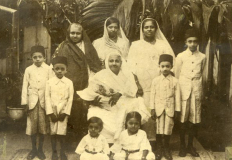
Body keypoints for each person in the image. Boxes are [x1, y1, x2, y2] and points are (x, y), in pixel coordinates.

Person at [77, 52, 150, 143]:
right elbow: (91, 89)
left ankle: (126, 138)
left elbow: (133, 91)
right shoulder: (100, 74)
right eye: (111, 61)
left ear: (121, 63)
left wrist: (119, 93)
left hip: (123, 102)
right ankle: (103, 142)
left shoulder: (127, 74)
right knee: (94, 112)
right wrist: (94, 100)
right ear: (107, 62)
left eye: (117, 61)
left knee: (137, 103)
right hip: (106, 105)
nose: (114, 63)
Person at [127, 18, 175, 150]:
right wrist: (137, 85)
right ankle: (143, 144)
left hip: (160, 84)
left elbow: (171, 64)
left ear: (156, 29)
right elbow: (130, 67)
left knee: (159, 113)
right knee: (145, 113)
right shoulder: (136, 45)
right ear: (142, 30)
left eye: (151, 27)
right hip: (143, 85)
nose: (149, 29)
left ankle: (159, 145)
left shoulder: (162, 45)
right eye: (146, 27)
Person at [53, 23, 102, 140]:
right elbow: (55, 65)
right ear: (68, 33)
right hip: (66, 85)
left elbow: (94, 65)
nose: (75, 35)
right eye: (72, 33)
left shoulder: (87, 46)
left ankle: (81, 139)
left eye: (78, 33)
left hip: (84, 84)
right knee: (67, 111)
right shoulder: (63, 46)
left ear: (82, 34)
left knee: (82, 112)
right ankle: (67, 140)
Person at [175, 28, 206, 157]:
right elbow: (177, 75)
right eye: (190, 41)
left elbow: (203, 73)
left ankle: (190, 146)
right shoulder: (180, 56)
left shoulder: (202, 57)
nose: (192, 44)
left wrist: (200, 90)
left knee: (194, 119)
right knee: (183, 119)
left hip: (196, 90)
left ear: (198, 42)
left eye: (195, 41)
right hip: (183, 90)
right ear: (185, 42)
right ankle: (182, 146)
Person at [21, 45, 53, 160]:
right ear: (31, 58)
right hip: (32, 102)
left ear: (44, 57)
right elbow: (25, 86)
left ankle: (40, 149)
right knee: (32, 127)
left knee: (43, 127)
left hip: (44, 101)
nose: (38, 59)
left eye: (40, 57)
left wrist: (51, 102)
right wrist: (25, 103)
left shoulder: (49, 69)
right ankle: (33, 149)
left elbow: (51, 85)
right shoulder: (28, 70)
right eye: (35, 57)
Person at [150, 54, 181, 160]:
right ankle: (159, 149)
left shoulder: (175, 81)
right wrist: (152, 108)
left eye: (167, 66)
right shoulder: (155, 80)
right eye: (162, 66)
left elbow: (177, 96)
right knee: (159, 129)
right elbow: (152, 95)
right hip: (158, 109)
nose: (165, 69)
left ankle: (167, 149)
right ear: (159, 66)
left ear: (171, 67)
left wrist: (177, 110)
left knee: (168, 129)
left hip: (170, 108)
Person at [45, 56, 74, 160]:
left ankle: (62, 152)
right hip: (53, 110)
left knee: (62, 132)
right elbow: (47, 97)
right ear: (53, 70)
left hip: (63, 111)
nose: (59, 71)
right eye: (57, 69)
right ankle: (54, 152)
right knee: (53, 132)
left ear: (66, 70)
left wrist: (65, 113)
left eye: (62, 69)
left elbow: (70, 98)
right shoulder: (49, 82)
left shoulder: (69, 82)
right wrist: (50, 113)